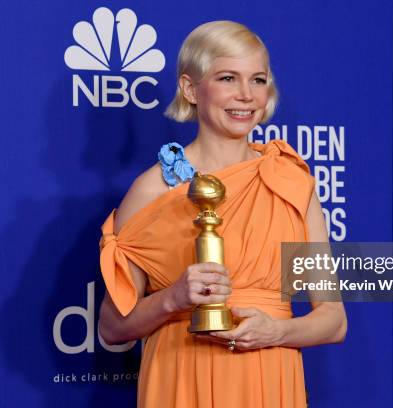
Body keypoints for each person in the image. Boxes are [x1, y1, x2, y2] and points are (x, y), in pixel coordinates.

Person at [98, 20, 347, 408]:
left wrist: (277, 332)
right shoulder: (151, 191)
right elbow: (112, 327)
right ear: (190, 88)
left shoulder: (292, 181)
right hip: (180, 379)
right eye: (228, 78)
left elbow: (333, 318)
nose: (246, 95)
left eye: (258, 80)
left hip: (268, 378)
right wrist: (174, 298)